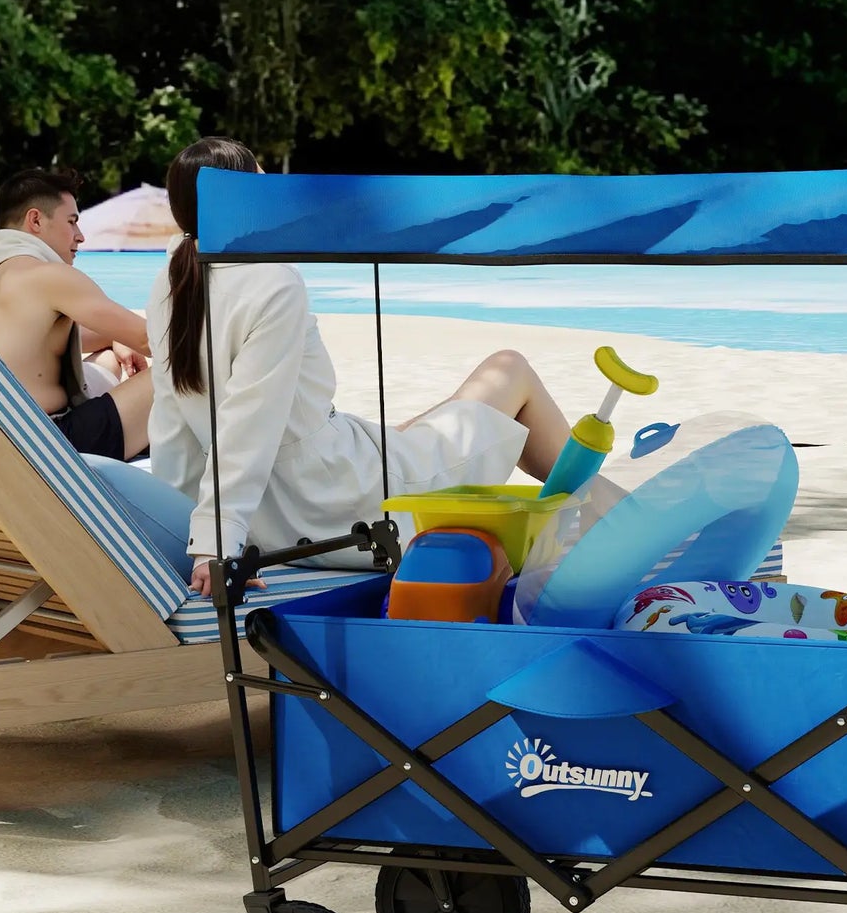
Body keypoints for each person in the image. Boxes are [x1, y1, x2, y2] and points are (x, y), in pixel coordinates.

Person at [146, 137, 574, 595]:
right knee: (510, 369)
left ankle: (595, 513)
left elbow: (174, 426)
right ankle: (609, 517)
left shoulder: (171, 282)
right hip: (346, 508)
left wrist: (186, 535)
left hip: (276, 518)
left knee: (428, 423)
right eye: (261, 181)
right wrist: (216, 547)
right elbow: (247, 425)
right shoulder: (271, 282)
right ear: (240, 198)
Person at [0, 168, 153, 460]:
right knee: (183, 370)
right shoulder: (50, 276)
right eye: (72, 222)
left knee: (109, 359)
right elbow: (155, 340)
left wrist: (115, 339)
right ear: (35, 220)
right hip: (47, 451)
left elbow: (60, 340)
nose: (81, 236)